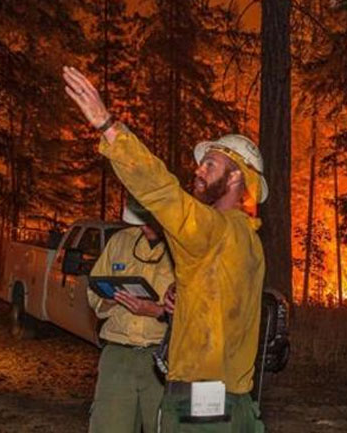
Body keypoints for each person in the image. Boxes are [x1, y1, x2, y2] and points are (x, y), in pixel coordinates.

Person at [63, 66, 266, 432]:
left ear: (236, 177)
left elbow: (161, 191)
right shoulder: (249, 240)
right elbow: (221, 306)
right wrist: (181, 299)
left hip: (202, 399)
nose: (199, 172)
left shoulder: (215, 229)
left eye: (210, 164)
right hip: (232, 398)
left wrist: (108, 127)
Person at [86, 197, 174, 433]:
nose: (144, 227)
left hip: (163, 358)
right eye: (140, 221)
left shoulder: (183, 251)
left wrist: (156, 311)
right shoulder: (120, 242)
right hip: (118, 355)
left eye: (149, 221)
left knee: (165, 426)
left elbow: (197, 310)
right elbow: (92, 290)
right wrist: (110, 297)